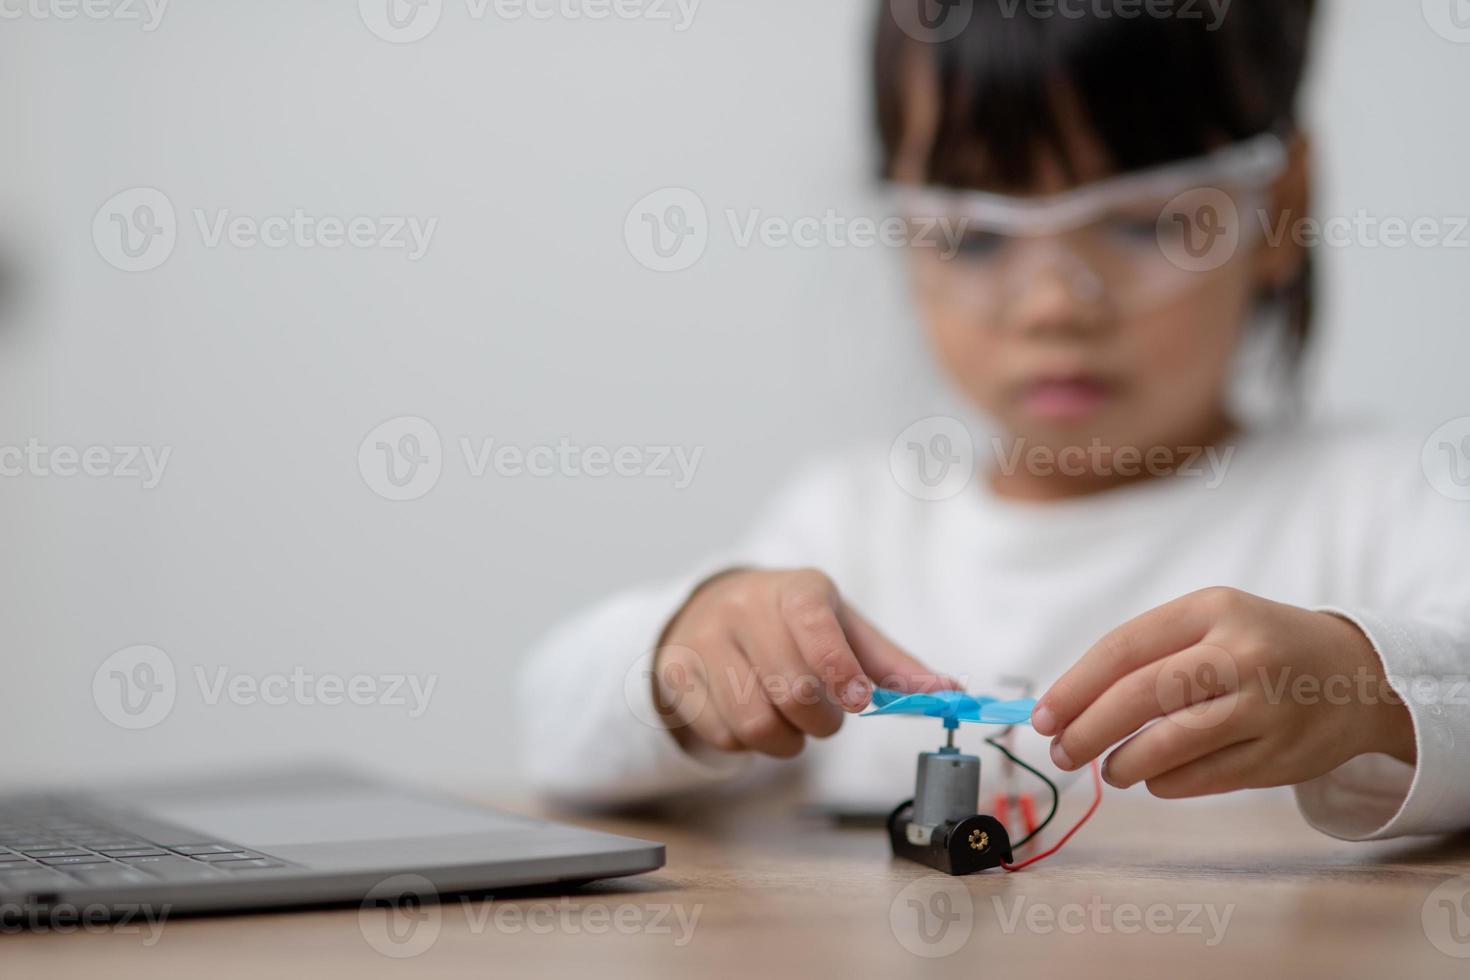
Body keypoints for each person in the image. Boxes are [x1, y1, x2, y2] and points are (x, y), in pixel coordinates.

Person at [519, 0, 1470, 842]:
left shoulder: (1385, 504)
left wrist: (1368, 688)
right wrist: (680, 662)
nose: (1052, 303)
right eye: (974, 236)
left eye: (1143, 222)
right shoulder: (849, 526)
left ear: (1281, 210)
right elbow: (552, 730)